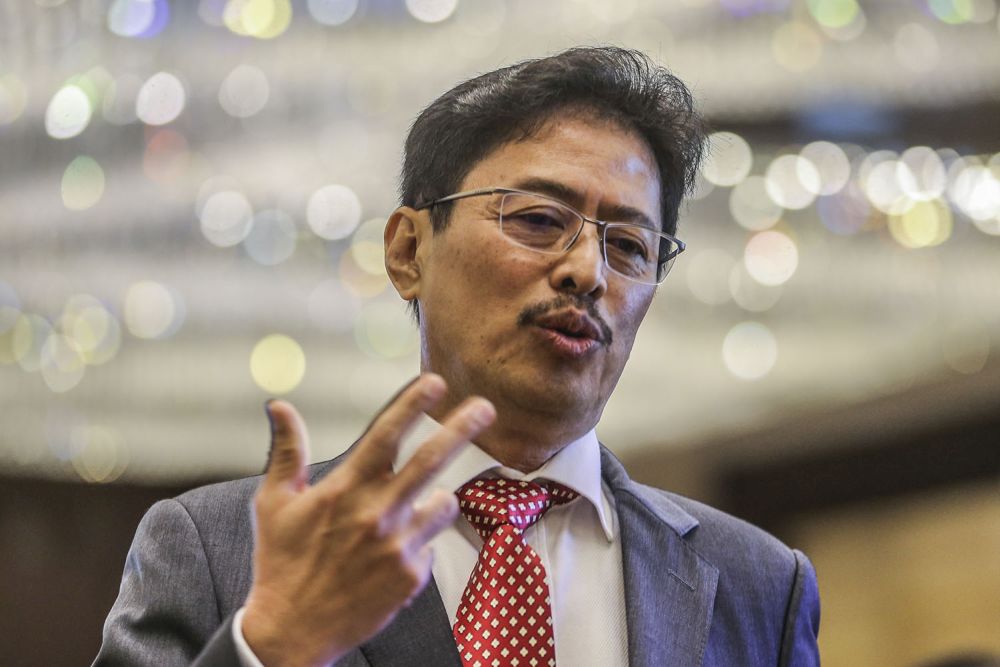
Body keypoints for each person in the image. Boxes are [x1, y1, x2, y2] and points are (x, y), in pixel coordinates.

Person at [95, 46, 820, 667]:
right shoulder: (215, 548)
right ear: (408, 250)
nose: (589, 272)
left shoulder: (759, 583)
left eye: (629, 246)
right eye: (538, 219)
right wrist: (276, 645)